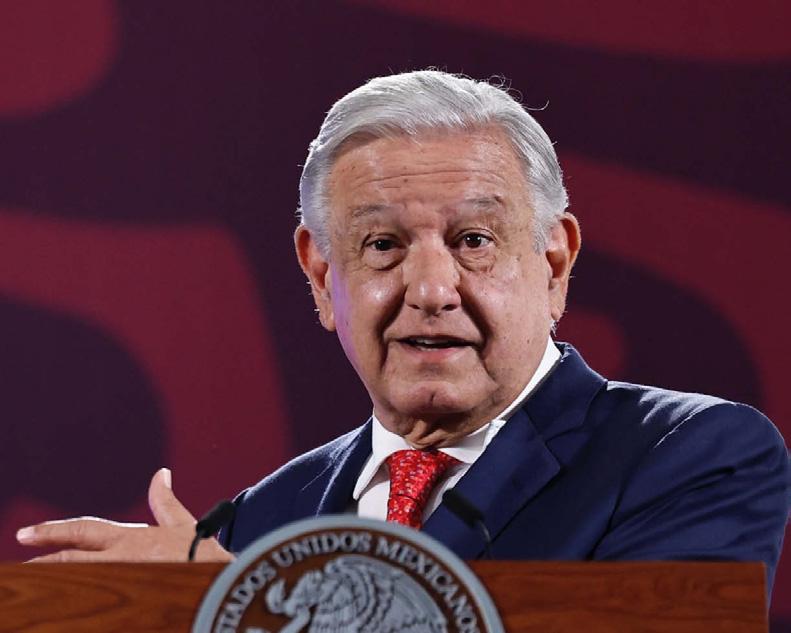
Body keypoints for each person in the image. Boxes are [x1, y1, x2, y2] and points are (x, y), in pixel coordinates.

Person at [17, 71, 790, 596]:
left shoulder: (692, 457)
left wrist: (244, 605)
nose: (430, 289)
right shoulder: (261, 521)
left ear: (553, 264)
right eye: (382, 244)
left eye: (473, 240)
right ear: (320, 275)